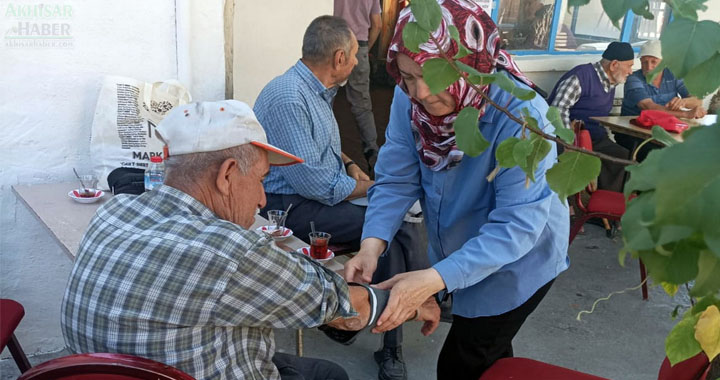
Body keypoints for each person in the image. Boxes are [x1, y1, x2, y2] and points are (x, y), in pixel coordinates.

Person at [60, 100, 441, 380]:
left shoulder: (114, 212)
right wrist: (410, 300)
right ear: (226, 175)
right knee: (330, 375)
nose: (262, 199)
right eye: (259, 180)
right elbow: (346, 311)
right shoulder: (225, 251)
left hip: (104, 372)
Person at [344, 2, 570, 379]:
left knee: (463, 361)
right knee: (490, 356)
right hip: (461, 245)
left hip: (519, 258)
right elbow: (397, 176)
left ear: (468, 62)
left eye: (433, 73)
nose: (422, 92)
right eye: (408, 75)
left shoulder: (521, 115)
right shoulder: (409, 96)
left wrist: (432, 280)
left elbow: (517, 226)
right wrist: (372, 244)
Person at [253, 15, 428, 380]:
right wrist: (375, 187)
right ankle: (386, 333)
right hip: (286, 209)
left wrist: (350, 165)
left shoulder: (314, 91)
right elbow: (315, 184)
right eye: (353, 56)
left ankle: (406, 296)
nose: (356, 62)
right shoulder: (290, 96)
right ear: (338, 58)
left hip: (309, 197)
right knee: (389, 225)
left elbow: (322, 154)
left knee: (397, 215)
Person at [547, 41, 635, 192]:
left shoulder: (611, 83)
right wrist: (570, 143)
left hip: (595, 138)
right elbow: (557, 109)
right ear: (614, 65)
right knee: (569, 160)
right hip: (567, 138)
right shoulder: (580, 77)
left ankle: (605, 207)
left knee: (622, 158)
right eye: (629, 65)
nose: (631, 71)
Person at [618, 39, 707, 160]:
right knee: (669, 156)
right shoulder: (634, 79)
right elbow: (649, 108)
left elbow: (698, 99)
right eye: (644, 62)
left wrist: (685, 102)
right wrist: (686, 113)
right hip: (633, 135)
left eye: (654, 62)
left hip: (665, 131)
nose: (649, 67)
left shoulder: (674, 75)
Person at [334, 0, 382, 171]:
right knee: (361, 104)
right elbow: (377, 24)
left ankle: (326, 150)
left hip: (331, 44)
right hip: (359, 46)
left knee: (324, 99)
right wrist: (363, 50)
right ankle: (373, 155)